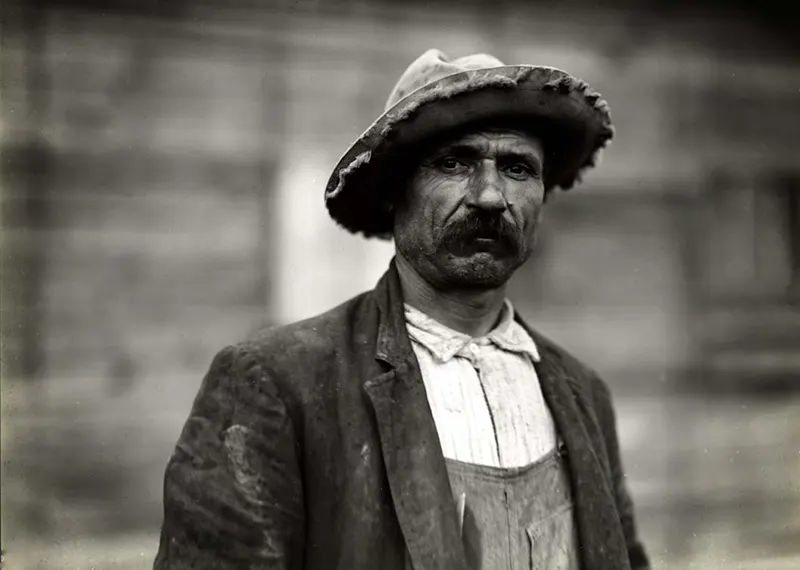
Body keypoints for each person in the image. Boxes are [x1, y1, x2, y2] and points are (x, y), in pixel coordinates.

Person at [154, 49, 649, 570]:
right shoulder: (278, 383)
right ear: (394, 192)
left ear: (542, 195)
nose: (489, 195)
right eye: (453, 162)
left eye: (517, 167)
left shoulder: (582, 392)